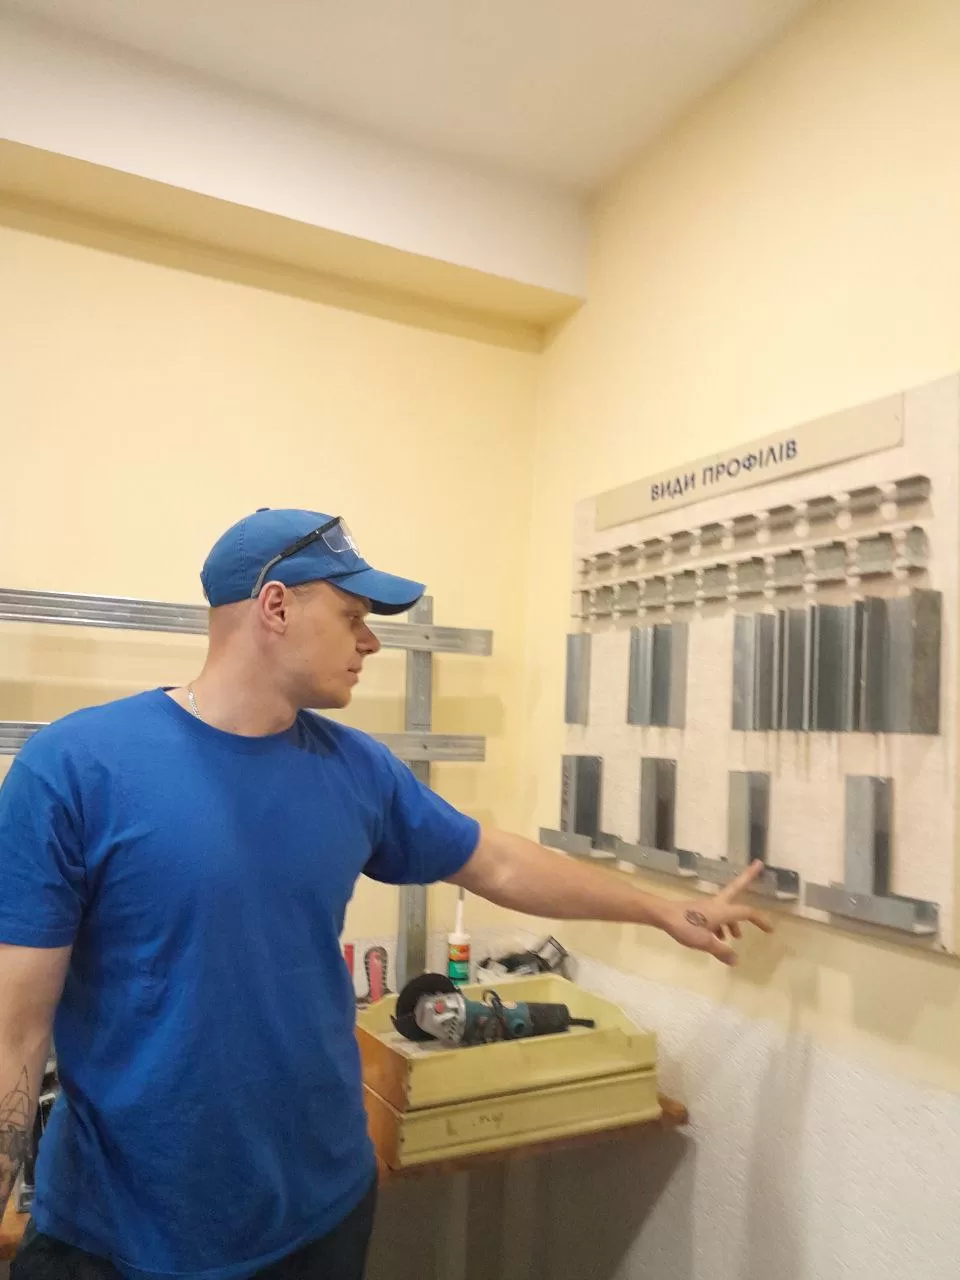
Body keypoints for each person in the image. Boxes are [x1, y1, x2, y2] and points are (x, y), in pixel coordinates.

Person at [0, 508, 771, 1280]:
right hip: (120, 1235)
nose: (370, 642)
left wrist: (659, 910)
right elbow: (15, 1032)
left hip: (318, 1213)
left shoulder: (355, 769)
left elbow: (495, 862)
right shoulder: (77, 768)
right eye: (353, 616)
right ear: (276, 606)